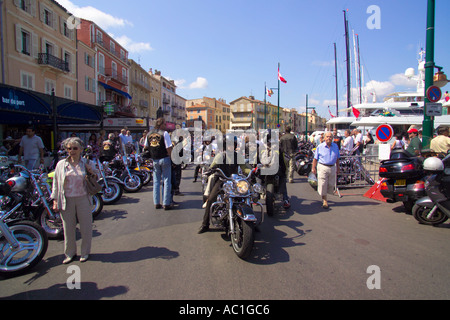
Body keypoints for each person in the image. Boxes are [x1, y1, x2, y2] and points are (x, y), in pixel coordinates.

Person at [51, 137, 99, 264]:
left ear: (81, 149)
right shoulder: (61, 164)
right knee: (68, 228)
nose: (72, 151)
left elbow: (96, 177)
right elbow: (55, 182)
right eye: (69, 148)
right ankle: (70, 253)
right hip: (66, 199)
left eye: (75, 148)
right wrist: (55, 200)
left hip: (83, 198)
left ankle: (85, 252)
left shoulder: (87, 163)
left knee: (86, 227)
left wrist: (91, 171)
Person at [198, 137, 251, 234]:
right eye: (228, 145)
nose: (231, 147)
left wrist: (251, 171)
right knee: (210, 200)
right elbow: (212, 166)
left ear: (235, 146)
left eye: (232, 145)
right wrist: (211, 169)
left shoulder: (237, 156)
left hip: (235, 182)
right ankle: (205, 224)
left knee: (247, 196)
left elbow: (244, 168)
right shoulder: (220, 156)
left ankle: (251, 224)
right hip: (222, 181)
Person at [144, 118, 173, 210]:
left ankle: (156, 202)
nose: (166, 126)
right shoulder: (164, 133)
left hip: (155, 159)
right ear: (161, 124)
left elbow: (145, 147)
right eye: (165, 124)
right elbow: (168, 147)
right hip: (164, 158)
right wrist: (172, 157)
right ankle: (166, 203)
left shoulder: (149, 134)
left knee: (156, 182)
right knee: (166, 180)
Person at [311, 132, 340, 210]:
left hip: (332, 167)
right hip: (322, 166)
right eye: (327, 137)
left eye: (330, 137)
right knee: (323, 184)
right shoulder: (320, 147)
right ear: (324, 138)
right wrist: (313, 168)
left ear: (332, 138)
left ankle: (325, 195)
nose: (329, 138)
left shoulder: (335, 146)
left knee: (331, 184)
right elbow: (315, 158)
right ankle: (324, 200)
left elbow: (337, 158)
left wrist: (338, 168)